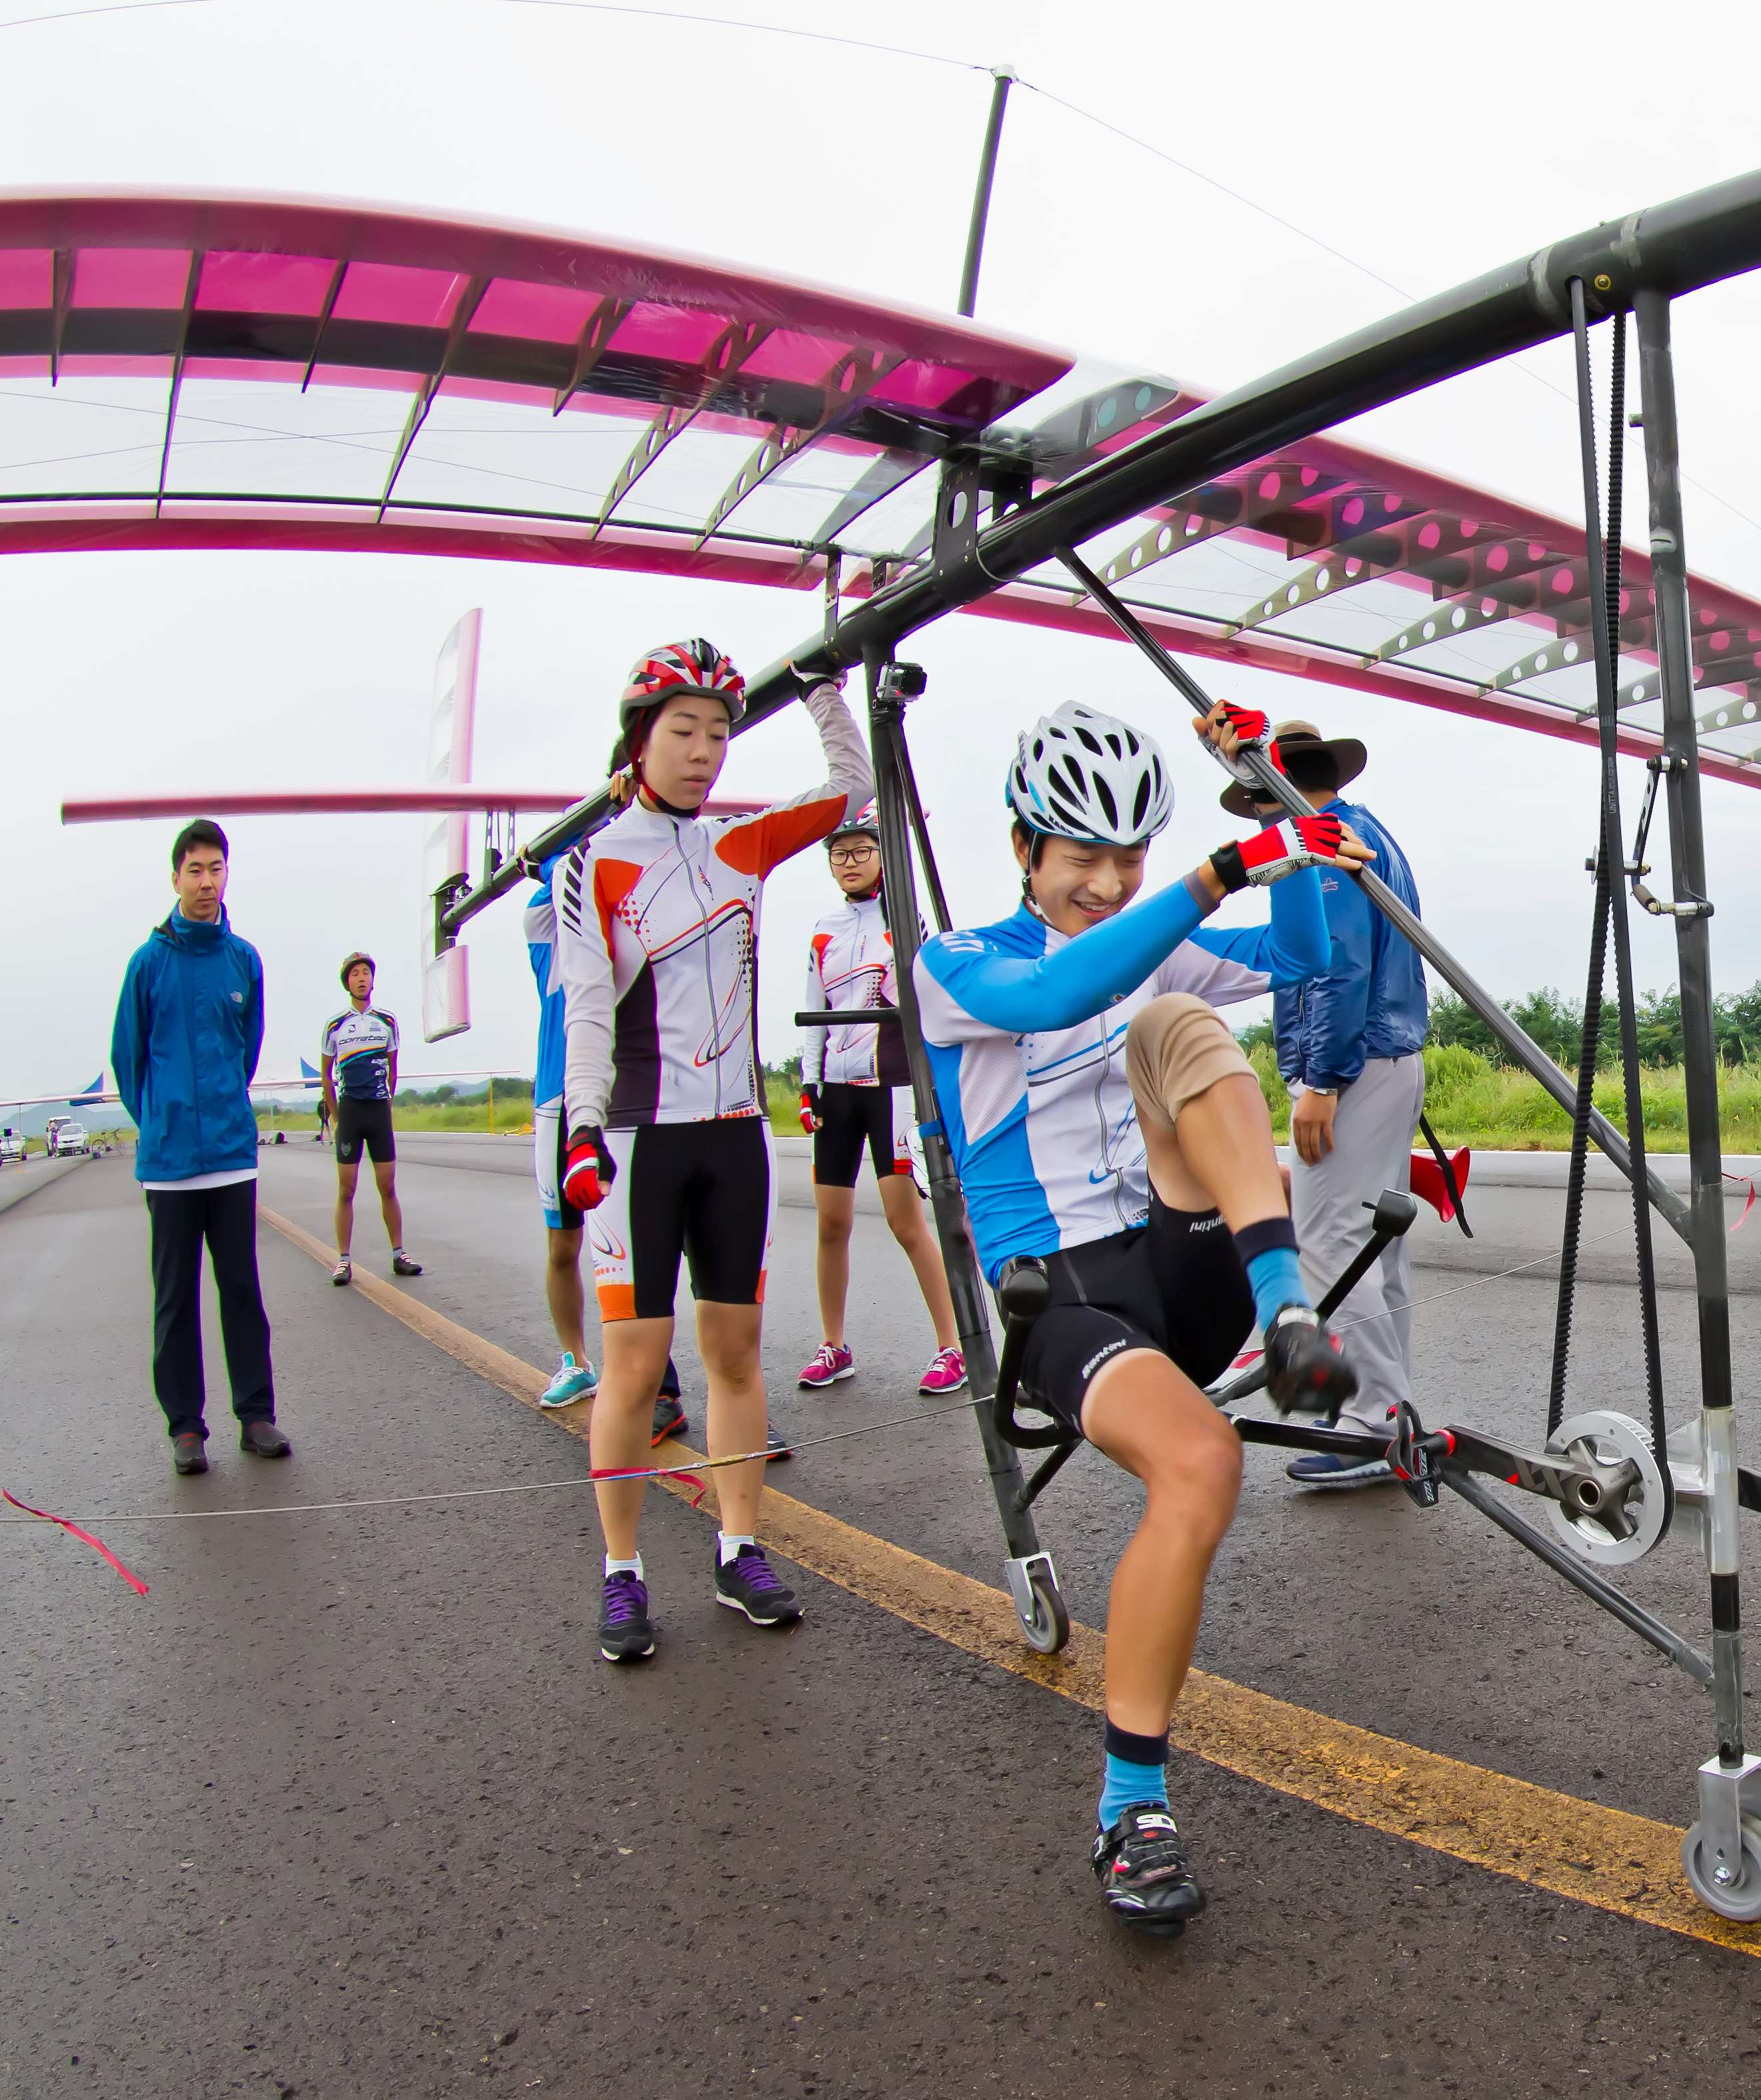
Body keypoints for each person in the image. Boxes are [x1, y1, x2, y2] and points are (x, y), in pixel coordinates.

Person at [914, 696, 1363, 1934]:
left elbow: (1306, 959)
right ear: (1023, 848)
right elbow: (1058, 993)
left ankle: (1286, 1309)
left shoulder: (1154, 944)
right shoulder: (957, 965)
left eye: (1128, 855)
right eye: (1081, 856)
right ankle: (1131, 1804)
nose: (1109, 882)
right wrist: (1219, 867)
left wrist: (1299, 833)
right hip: (1063, 1296)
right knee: (1203, 1462)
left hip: (1186, 1265)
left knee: (1181, 1018)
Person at [557, 639, 872, 1665]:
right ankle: (621, 1572)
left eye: (721, 733)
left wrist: (824, 685)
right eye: (683, 730)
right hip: (638, 1142)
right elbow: (590, 1013)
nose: (704, 751)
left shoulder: (745, 843)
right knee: (635, 1368)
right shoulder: (592, 861)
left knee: (735, 1353)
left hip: (735, 1134)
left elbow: (852, 787)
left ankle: (741, 1548)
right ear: (639, 738)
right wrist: (579, 1129)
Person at [1224, 719, 1430, 1488]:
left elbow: (1338, 967)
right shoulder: (1365, 828)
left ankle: (1375, 1422)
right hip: (1387, 1053)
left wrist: (1320, 1080)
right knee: (1377, 1243)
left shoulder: (1320, 843)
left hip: (1353, 1059)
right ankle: (1389, 1407)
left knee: (1331, 1238)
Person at [111, 818, 284, 1473]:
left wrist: (220, 1111)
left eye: (216, 868)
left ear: (226, 873)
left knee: (242, 1288)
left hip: (232, 1160)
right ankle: (186, 1426)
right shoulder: (147, 964)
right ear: (175, 877)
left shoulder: (243, 960)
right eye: (195, 870)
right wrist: (162, 1119)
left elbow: (247, 1046)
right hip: (170, 1166)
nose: (206, 882)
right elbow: (128, 1059)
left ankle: (257, 1413)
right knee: (175, 1298)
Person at [793, 808, 967, 1398]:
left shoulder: (905, 920)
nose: (849, 862)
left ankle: (953, 1345)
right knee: (832, 1222)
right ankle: (833, 1344)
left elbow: (916, 988)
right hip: (837, 1092)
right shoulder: (822, 929)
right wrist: (807, 1083)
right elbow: (812, 1013)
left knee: (904, 1221)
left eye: (861, 851)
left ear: (881, 854)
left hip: (890, 1086)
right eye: (838, 854)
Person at [526, 837, 685, 1435]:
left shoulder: (627, 922)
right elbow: (557, 874)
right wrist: (554, 847)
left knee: (634, 1251)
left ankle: (672, 1385)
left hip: (621, 1096)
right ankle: (576, 1361)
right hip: (556, 1099)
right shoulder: (549, 929)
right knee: (564, 1246)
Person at [319, 952, 421, 1285]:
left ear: (373, 981)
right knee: (346, 1189)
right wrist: (335, 1117)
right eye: (355, 974)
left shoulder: (387, 1021)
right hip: (350, 1110)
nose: (362, 978)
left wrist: (387, 1100)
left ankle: (399, 1254)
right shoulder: (335, 1026)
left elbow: (393, 1067)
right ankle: (344, 1260)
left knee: (387, 1186)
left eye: (366, 973)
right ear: (347, 983)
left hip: (378, 1110)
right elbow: (326, 1076)